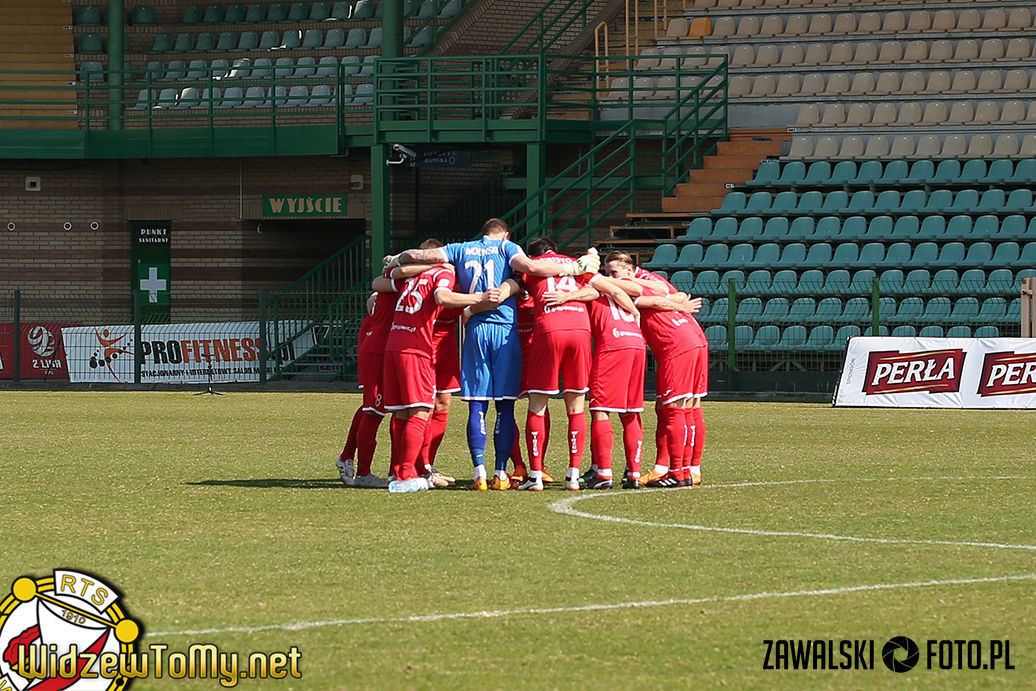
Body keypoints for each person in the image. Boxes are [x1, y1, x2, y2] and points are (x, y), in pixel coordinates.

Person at [384, 219, 600, 490]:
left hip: (475, 329)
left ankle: (479, 473)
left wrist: (397, 259)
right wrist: (575, 266)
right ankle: (502, 472)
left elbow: (418, 257)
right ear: (506, 235)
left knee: (477, 404)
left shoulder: (460, 248)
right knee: (506, 405)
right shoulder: (508, 248)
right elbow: (530, 268)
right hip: (505, 331)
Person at [515, 238, 639, 492]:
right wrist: (634, 313)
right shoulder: (577, 264)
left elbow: (516, 286)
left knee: (537, 404)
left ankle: (535, 475)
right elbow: (601, 290)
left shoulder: (530, 267)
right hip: (580, 331)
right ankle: (572, 475)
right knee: (576, 406)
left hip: (549, 330)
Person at [373, 260, 505, 492]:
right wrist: (481, 297)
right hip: (418, 346)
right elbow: (379, 285)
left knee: (431, 406)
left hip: (433, 346)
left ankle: (423, 467)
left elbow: (379, 283)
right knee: (418, 409)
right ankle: (403, 471)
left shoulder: (442, 278)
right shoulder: (439, 275)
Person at [604, 252, 706, 488]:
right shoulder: (648, 280)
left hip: (676, 343)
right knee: (684, 406)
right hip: (693, 338)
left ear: (629, 270)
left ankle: (678, 472)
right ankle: (686, 469)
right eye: (607, 273)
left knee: (674, 409)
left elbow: (663, 299)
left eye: (613, 273)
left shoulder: (630, 284)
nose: (610, 277)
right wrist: (676, 302)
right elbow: (673, 294)